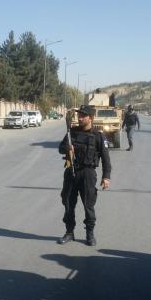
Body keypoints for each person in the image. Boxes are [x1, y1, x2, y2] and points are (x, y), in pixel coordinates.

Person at [58, 105, 111, 246]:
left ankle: (90, 233)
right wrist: (67, 148)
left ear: (91, 118)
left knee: (88, 205)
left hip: (88, 173)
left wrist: (106, 177)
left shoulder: (98, 135)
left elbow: (106, 159)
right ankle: (69, 232)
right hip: (71, 171)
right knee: (68, 204)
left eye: (83, 116)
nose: (79, 118)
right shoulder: (71, 132)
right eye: (79, 115)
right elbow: (60, 148)